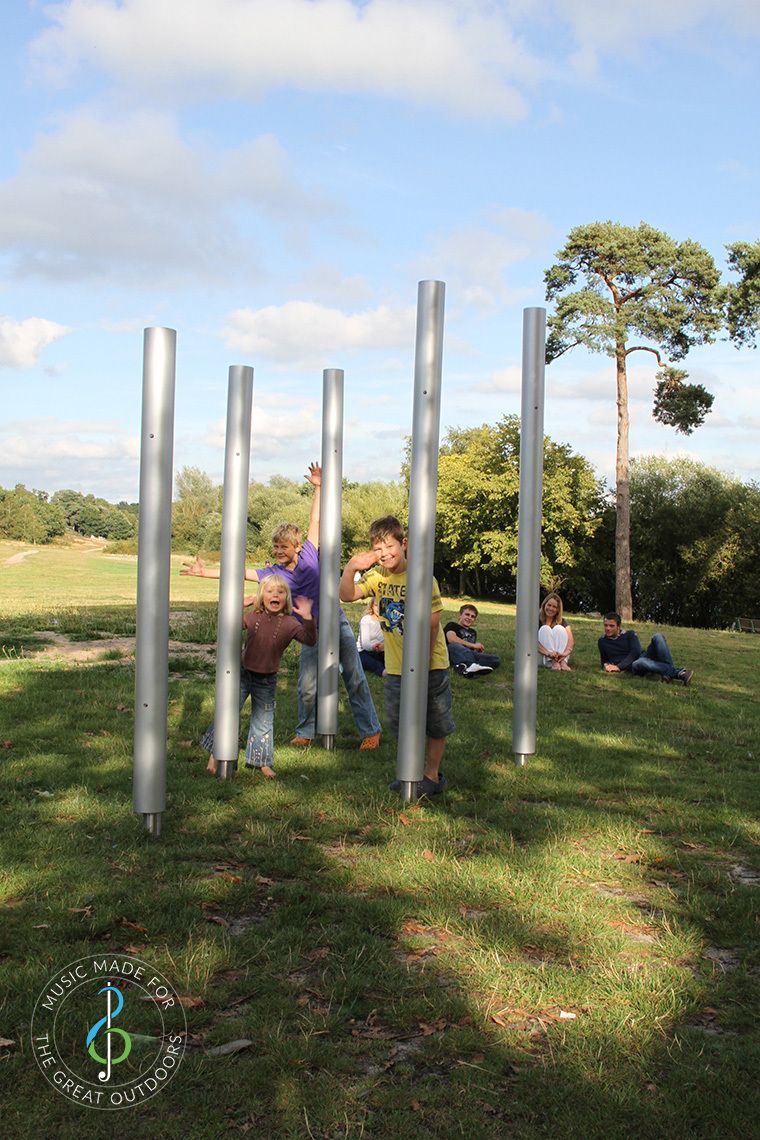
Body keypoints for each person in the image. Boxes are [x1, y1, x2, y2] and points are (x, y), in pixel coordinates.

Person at [183, 463, 382, 750]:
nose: (278, 551)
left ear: (297, 546)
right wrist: (205, 572)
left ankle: (370, 731)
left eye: (283, 547)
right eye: (275, 547)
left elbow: (315, 521)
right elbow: (240, 571)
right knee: (307, 684)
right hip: (308, 627)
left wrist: (318, 488)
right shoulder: (274, 573)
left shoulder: (311, 554)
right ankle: (306, 731)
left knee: (354, 675)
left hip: (334, 620)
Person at [340, 515, 454, 797]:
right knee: (399, 721)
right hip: (395, 667)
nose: (384, 554)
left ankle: (431, 775)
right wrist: (352, 566)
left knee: (435, 721)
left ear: (403, 544)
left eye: (389, 547)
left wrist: (423, 664)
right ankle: (410, 770)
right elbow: (346, 594)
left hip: (431, 664)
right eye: (377, 549)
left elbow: (432, 622)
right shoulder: (378, 576)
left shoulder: (422, 577)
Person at [201, 575, 316, 777]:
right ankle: (215, 754)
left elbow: (309, 640)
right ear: (261, 597)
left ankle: (261, 762)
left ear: (286, 598)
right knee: (227, 713)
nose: (275, 595)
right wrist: (238, 606)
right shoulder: (253, 617)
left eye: (280, 592)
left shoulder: (290, 623)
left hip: (266, 680)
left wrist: (307, 618)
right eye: (270, 591)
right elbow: (229, 625)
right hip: (243, 674)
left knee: (263, 722)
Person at [598, 612, 693, 685]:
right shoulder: (602, 641)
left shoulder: (629, 634)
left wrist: (618, 667)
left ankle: (667, 674)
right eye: (606, 625)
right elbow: (604, 660)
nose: (608, 628)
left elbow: (635, 652)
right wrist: (606, 665)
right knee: (640, 662)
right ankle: (679, 673)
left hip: (642, 656)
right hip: (634, 666)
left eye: (611, 626)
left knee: (658, 636)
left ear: (618, 626)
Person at [444, 603, 501, 677]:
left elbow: (469, 650)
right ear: (460, 615)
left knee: (495, 659)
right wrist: (473, 645)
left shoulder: (473, 632)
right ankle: (472, 666)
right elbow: (451, 639)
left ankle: (464, 667)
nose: (469, 618)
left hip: (467, 654)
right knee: (454, 646)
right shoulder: (452, 625)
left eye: (472, 616)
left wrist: (476, 650)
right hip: (452, 653)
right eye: (467, 614)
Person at [538, 592, 573, 671]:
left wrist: (565, 654)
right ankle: (554, 661)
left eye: (554, 607)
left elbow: (570, 642)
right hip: (543, 655)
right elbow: (531, 642)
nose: (551, 608)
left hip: (561, 656)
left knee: (559, 628)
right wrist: (548, 653)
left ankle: (562, 662)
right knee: (545, 629)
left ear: (558, 610)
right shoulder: (536, 620)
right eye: (549, 605)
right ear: (544, 605)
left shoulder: (562, 621)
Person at [356, 597, 385, 677]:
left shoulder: (387, 621)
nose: (379, 608)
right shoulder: (366, 620)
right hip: (363, 651)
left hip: (380, 650)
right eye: (376, 605)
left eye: (381, 605)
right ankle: (383, 672)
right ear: (372, 606)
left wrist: (384, 647)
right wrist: (374, 647)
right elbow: (365, 644)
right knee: (369, 662)